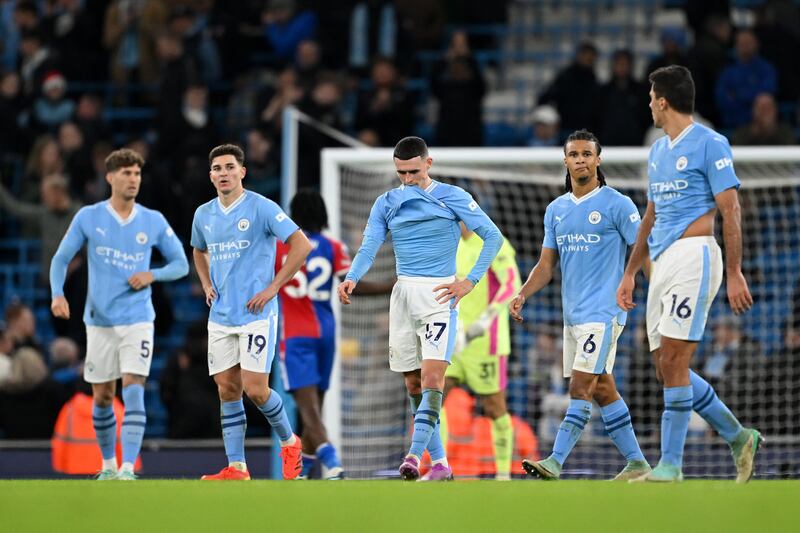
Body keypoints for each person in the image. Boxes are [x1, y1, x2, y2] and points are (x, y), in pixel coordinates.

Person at [616, 65, 761, 483]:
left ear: (663, 100)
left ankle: (671, 466)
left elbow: (730, 208)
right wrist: (630, 272)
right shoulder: (658, 151)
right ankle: (738, 437)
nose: (648, 104)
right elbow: (651, 214)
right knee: (665, 366)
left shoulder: (710, 143)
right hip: (662, 262)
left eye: (650, 97)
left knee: (677, 358)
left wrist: (734, 272)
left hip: (696, 255)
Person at [337, 136, 502, 481]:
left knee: (432, 378)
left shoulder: (453, 197)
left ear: (429, 164)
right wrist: (352, 277)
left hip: (439, 296)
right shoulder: (387, 202)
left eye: (413, 171)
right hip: (403, 295)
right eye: (401, 173)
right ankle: (440, 464)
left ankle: (413, 456)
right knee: (413, 384)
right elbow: (369, 246)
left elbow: (493, 237)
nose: (408, 179)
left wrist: (469, 281)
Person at [510, 129, 651, 481]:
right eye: (574, 154)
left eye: (587, 154)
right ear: (566, 161)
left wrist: (655, 289)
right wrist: (523, 293)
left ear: (598, 160)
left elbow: (642, 251)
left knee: (580, 387)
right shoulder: (556, 210)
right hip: (572, 317)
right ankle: (637, 463)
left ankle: (555, 461)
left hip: (604, 314)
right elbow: (546, 265)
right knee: (602, 388)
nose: (580, 160)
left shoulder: (617, 204)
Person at [49, 148, 189, 480]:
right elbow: (60, 258)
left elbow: (181, 264)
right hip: (99, 322)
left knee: (134, 386)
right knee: (103, 396)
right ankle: (109, 465)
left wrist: (152, 275)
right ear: (110, 177)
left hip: (138, 319)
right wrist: (57, 294)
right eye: (126, 173)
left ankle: (128, 467)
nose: (133, 179)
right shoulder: (88, 217)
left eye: (137, 174)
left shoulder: (152, 220)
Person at [191, 144, 312, 480]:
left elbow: (301, 244)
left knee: (255, 389)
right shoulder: (204, 214)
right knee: (227, 388)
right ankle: (237, 466)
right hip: (221, 316)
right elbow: (198, 250)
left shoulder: (261, 207)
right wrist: (205, 283)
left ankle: (290, 442)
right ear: (211, 175)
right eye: (217, 168)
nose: (223, 173)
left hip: (257, 314)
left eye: (230, 167)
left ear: (242, 171)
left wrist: (273, 287)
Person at [276, 189, 393, 479]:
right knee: (315, 406)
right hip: (326, 334)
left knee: (309, 409)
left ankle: (333, 463)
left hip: (294, 335)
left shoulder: (280, 248)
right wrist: (391, 284)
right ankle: (301, 474)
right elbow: (354, 285)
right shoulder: (332, 246)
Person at [440, 187, 520, 481]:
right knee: (436, 397)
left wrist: (482, 324)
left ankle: (502, 475)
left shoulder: (494, 242)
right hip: (452, 336)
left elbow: (512, 284)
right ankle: (441, 466)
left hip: (486, 340)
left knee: (494, 405)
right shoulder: (449, 244)